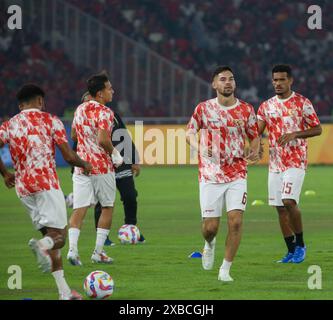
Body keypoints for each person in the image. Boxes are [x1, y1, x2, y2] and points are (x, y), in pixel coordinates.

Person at [0, 84, 92, 300]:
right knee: (59, 238)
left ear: (20, 105)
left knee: (52, 239)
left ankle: (64, 292)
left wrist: (4, 174)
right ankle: (41, 246)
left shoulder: (9, 125)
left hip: (23, 188)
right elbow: (68, 156)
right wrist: (85, 164)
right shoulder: (51, 120)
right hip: (46, 184)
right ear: (40, 101)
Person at [186, 66, 260, 282]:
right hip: (210, 175)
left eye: (231, 79)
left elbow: (254, 136)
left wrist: (254, 150)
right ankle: (209, 244)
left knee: (235, 221)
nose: (228, 82)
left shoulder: (246, 110)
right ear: (214, 84)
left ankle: (225, 270)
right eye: (223, 79)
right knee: (210, 228)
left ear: (234, 84)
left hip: (237, 173)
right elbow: (189, 132)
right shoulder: (203, 109)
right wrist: (199, 147)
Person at [257, 64, 322, 264]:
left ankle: (301, 245)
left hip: (295, 160)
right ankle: (290, 250)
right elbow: (257, 130)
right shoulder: (266, 106)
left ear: (290, 80)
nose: (277, 83)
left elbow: (317, 129)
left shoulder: (302, 103)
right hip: (275, 163)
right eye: (275, 80)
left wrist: (295, 134)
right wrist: (257, 143)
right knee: (279, 207)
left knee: (288, 201)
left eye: (282, 79)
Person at [67, 72, 123, 266]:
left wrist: (85, 142)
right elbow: (102, 139)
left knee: (79, 208)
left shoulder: (80, 109)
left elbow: (74, 135)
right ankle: (98, 252)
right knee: (107, 206)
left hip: (82, 166)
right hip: (101, 167)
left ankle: (73, 250)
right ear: (100, 93)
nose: (112, 91)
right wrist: (115, 154)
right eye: (109, 88)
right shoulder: (106, 112)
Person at [78, 92, 145, 246]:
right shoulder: (82, 119)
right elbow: (78, 145)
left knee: (130, 196)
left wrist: (133, 159)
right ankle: (103, 237)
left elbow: (124, 136)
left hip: (120, 162)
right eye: (86, 102)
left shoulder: (111, 115)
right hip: (99, 165)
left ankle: (131, 228)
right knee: (102, 202)